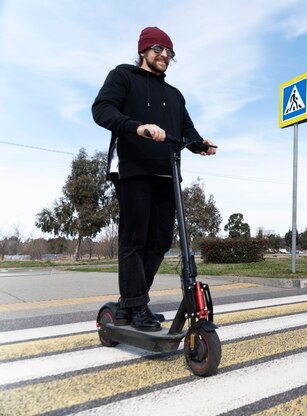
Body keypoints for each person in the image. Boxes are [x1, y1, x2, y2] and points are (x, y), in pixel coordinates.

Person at [92, 27, 217, 331]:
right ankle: (136, 305)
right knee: (134, 239)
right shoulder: (123, 76)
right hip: (133, 167)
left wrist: (201, 144)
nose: (165, 56)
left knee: (160, 241)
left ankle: (129, 304)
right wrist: (136, 127)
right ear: (144, 50)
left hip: (167, 172)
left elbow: (187, 129)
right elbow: (101, 110)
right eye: (160, 49)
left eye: (170, 53)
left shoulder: (174, 95)